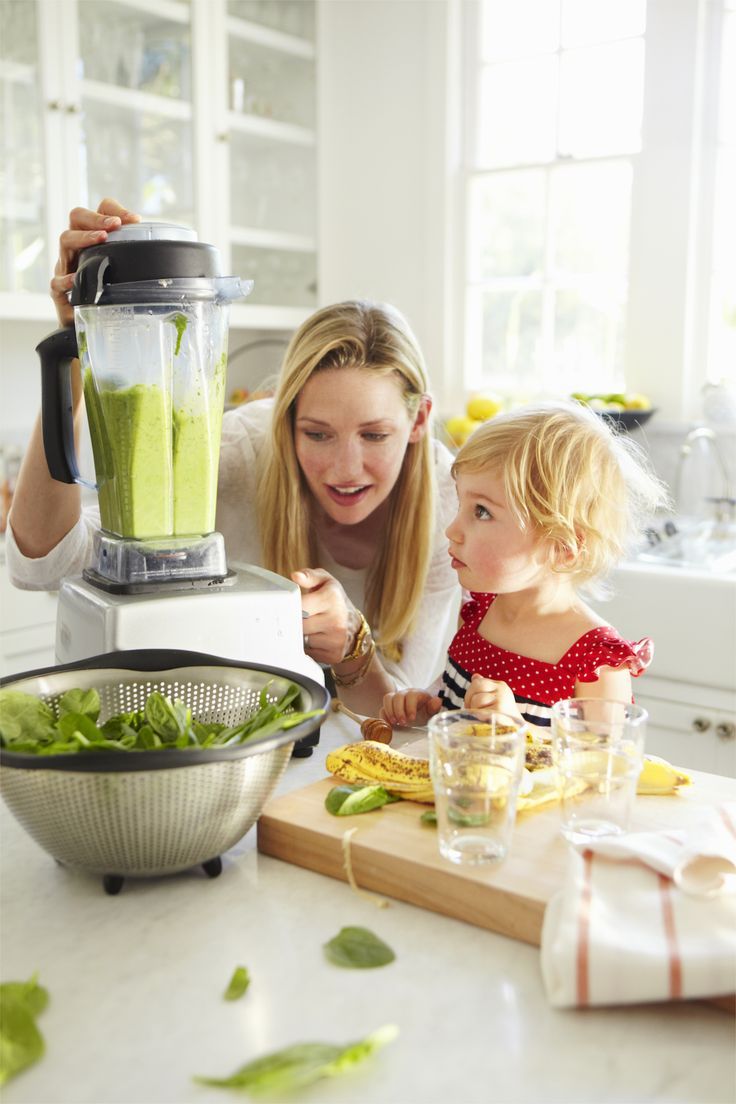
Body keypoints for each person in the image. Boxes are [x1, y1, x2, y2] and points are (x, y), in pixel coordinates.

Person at [7, 200, 460, 714]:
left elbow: (396, 712)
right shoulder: (241, 450)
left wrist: (352, 646)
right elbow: (41, 564)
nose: (345, 468)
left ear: (419, 421)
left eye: (375, 436)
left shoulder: (450, 505)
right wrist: (84, 340)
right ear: (283, 421)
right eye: (317, 434)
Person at [380, 402, 670, 730]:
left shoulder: (596, 662)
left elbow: (605, 768)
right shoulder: (478, 610)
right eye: (462, 504)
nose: (452, 530)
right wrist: (426, 703)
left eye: (482, 512)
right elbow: (452, 695)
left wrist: (517, 729)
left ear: (563, 546)